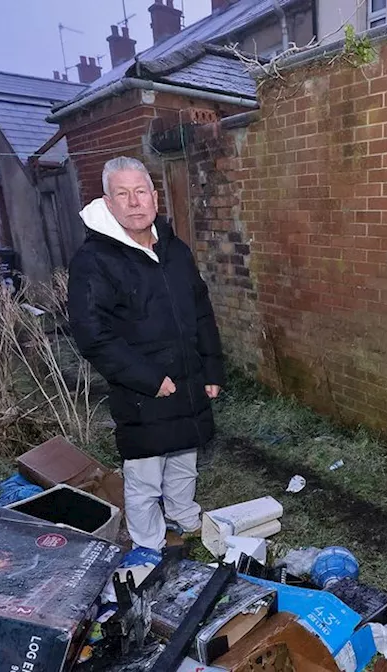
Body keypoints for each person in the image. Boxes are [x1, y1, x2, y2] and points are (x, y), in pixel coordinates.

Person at [68, 156, 225, 552]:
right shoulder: (94, 261)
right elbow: (93, 335)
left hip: (188, 376)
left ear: (154, 197)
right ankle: (149, 544)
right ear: (108, 201)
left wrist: (212, 368)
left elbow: (201, 310)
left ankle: (184, 513)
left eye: (141, 191)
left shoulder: (175, 249)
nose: (135, 202)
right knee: (144, 474)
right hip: (141, 388)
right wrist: (149, 380)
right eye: (123, 194)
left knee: (184, 457)